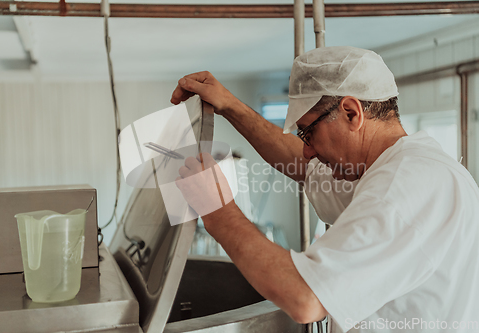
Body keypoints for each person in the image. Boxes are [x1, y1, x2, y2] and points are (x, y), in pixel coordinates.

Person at [171, 46, 479, 332]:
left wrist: (217, 210)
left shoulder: (403, 187)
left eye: (308, 132)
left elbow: (306, 298)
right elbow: (302, 164)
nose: (307, 150)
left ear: (351, 113)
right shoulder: (386, 168)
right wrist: (231, 106)